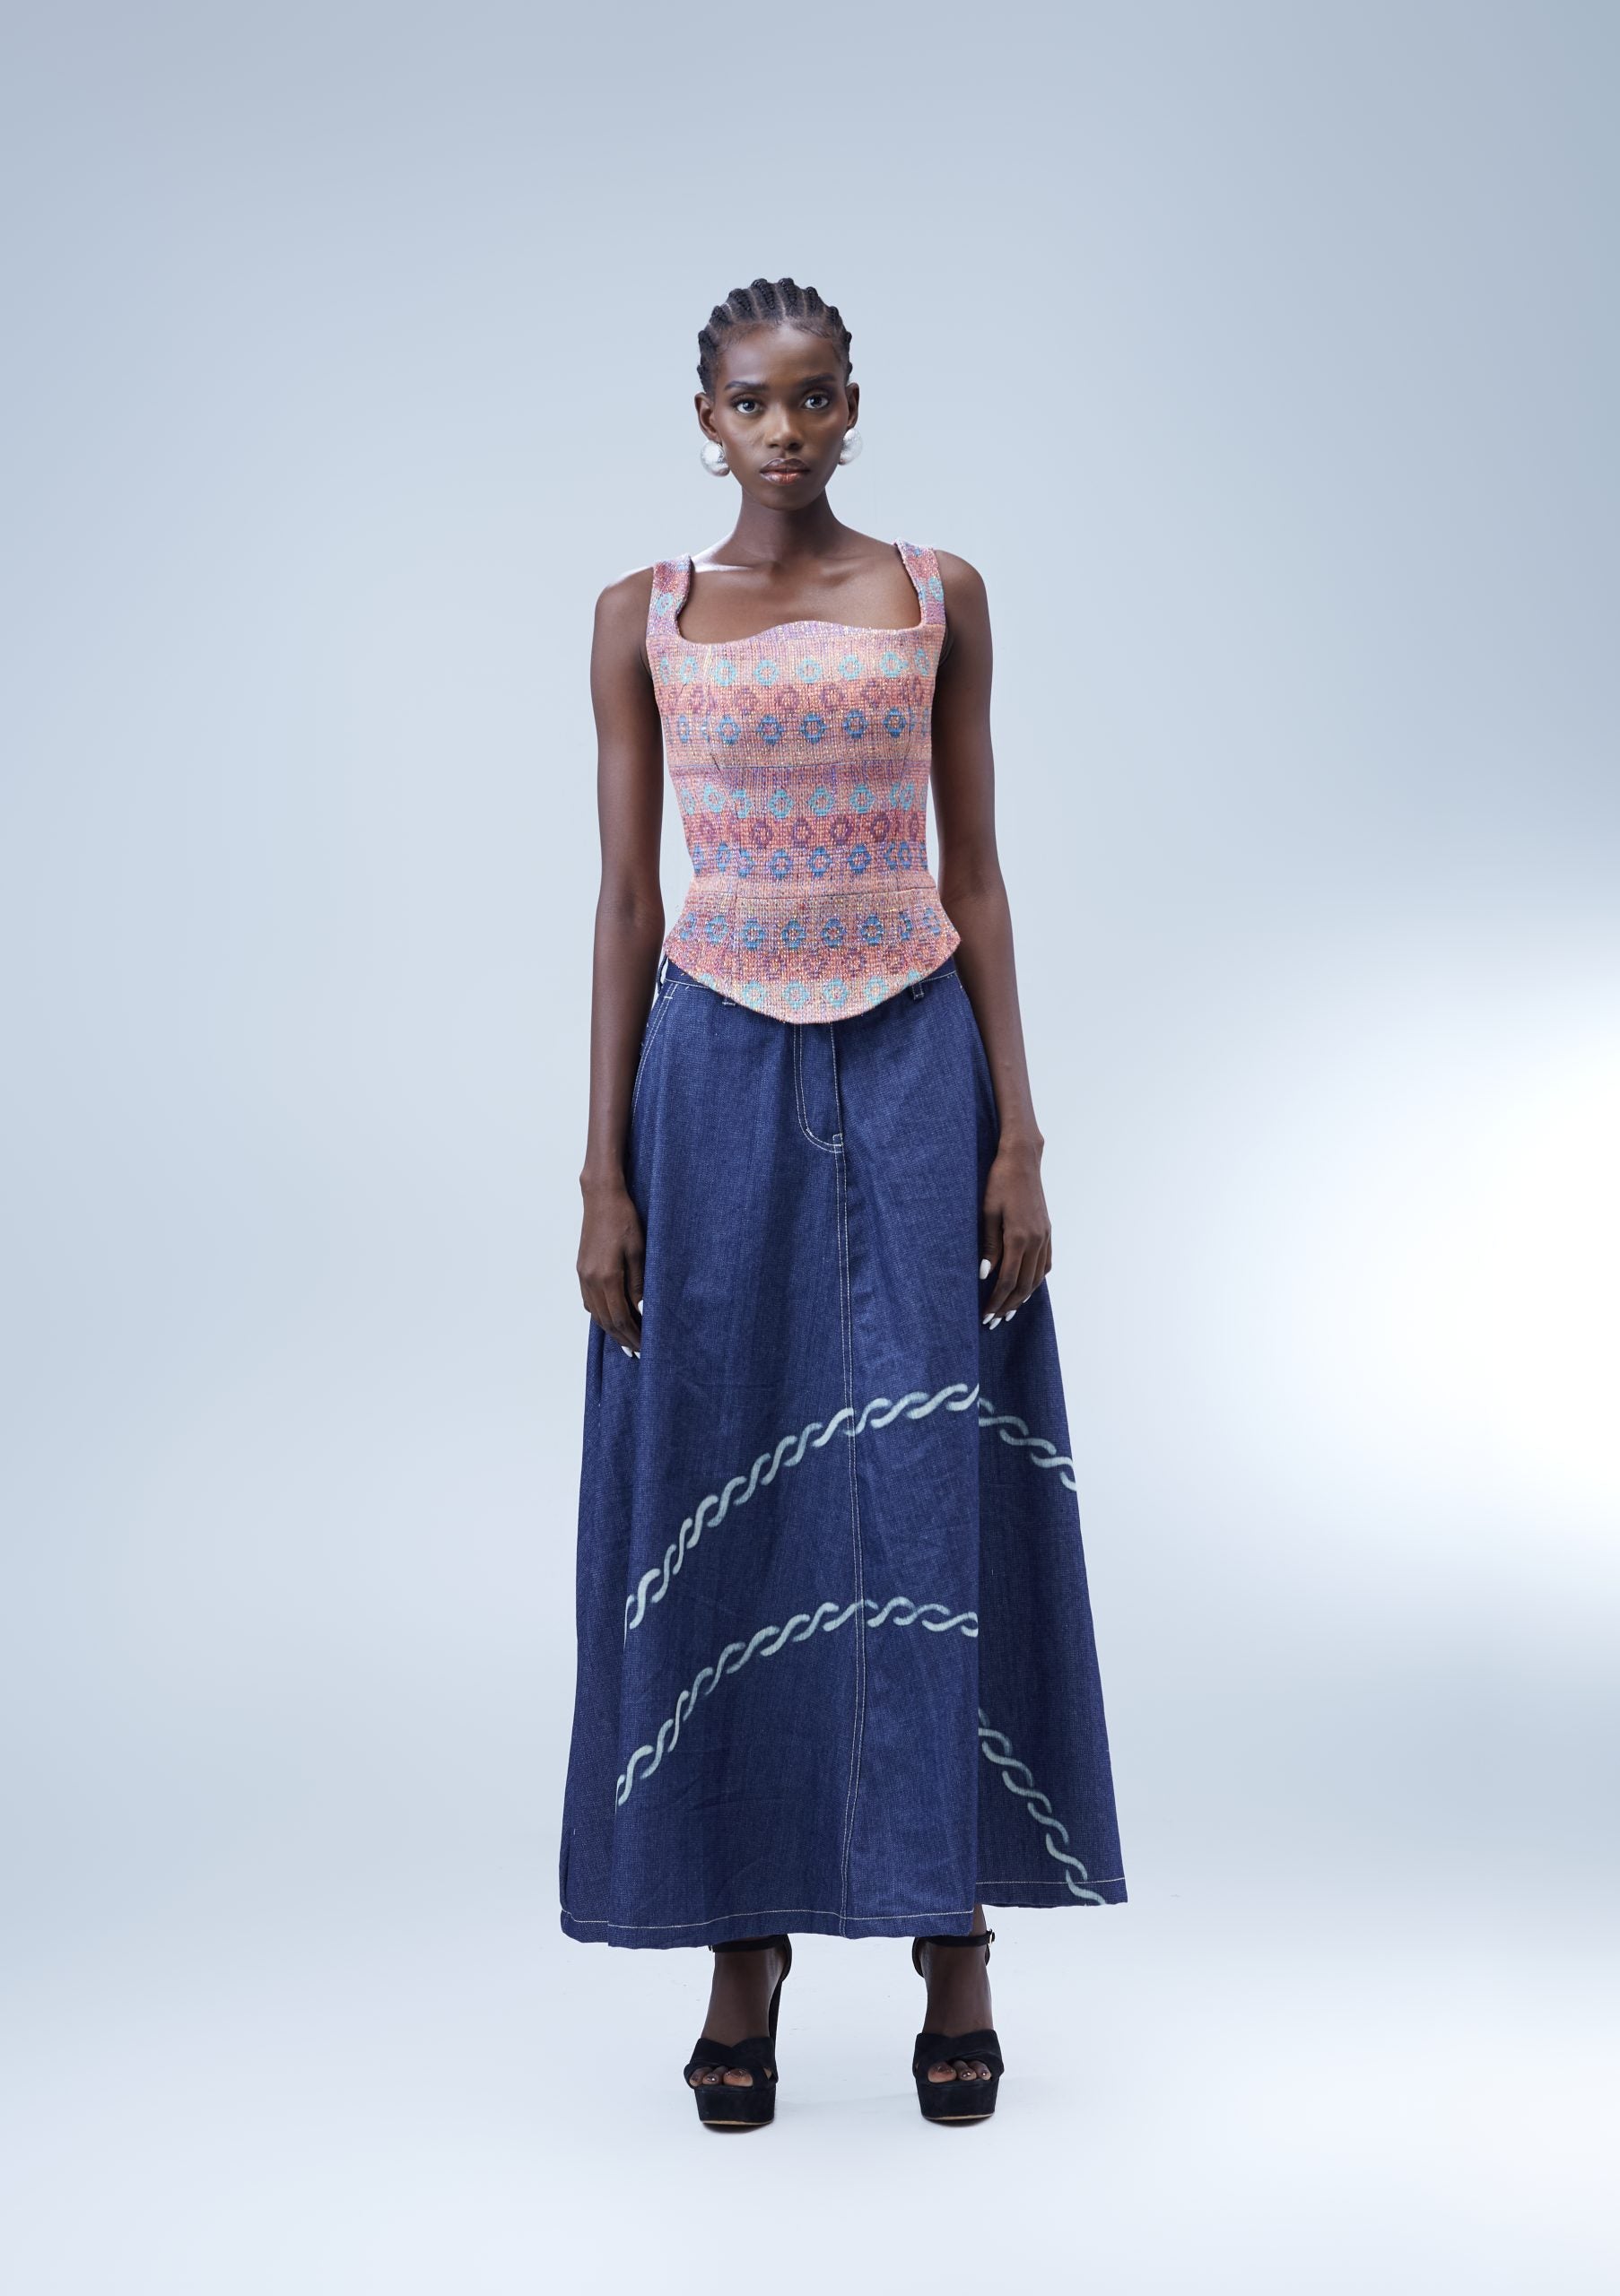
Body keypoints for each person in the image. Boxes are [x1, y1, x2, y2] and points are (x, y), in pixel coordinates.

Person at [560, 278, 1127, 2129]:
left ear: (853, 404)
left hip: (912, 1051)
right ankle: (744, 1935)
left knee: (929, 1463)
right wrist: (602, 1169)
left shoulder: (936, 594)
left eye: (813, 398)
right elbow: (626, 903)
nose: (784, 431)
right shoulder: (640, 617)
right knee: (723, 1455)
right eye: (751, 402)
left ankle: (954, 1930)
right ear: (704, 420)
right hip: (712, 1059)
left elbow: (982, 873)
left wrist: (1019, 1133)